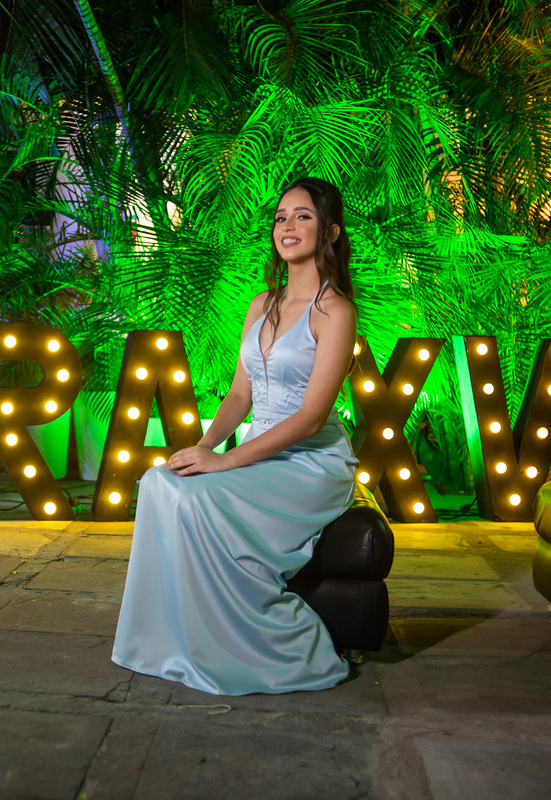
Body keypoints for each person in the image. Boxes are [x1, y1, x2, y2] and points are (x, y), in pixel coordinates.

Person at [111, 176, 359, 695]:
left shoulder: (336, 312)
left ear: (331, 231)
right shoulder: (260, 304)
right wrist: (205, 446)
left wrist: (227, 461)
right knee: (160, 483)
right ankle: (165, 641)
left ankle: (279, 647)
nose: (288, 226)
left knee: (199, 500)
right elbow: (239, 398)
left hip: (309, 463)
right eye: (281, 217)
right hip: (257, 451)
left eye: (304, 216)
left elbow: (313, 418)